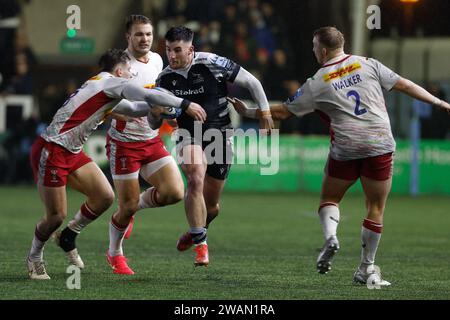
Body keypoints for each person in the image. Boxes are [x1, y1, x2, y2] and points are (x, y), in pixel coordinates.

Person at [229, 26, 450, 286]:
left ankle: (331, 236)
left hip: (346, 147)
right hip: (379, 142)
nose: (313, 51)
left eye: (314, 47)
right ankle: (366, 269)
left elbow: (282, 113)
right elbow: (406, 85)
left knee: (330, 198)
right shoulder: (368, 64)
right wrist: (439, 103)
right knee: (375, 208)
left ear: (322, 50)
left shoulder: (317, 81)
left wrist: (250, 112)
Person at [27, 48, 204, 279]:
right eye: (129, 71)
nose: (131, 75)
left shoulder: (101, 86)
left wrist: (159, 108)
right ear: (119, 70)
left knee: (105, 197)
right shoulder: (111, 83)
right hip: (52, 150)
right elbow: (147, 96)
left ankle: (68, 236)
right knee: (55, 216)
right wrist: (184, 103)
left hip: (71, 151)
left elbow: (132, 109)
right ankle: (34, 257)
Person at [156, 26, 274, 266]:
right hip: (189, 135)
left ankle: (196, 230)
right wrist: (162, 113)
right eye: (168, 50)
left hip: (220, 136)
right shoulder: (164, 78)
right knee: (195, 177)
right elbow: (159, 116)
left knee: (212, 207)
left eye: (177, 50)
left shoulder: (212, 62)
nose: (172, 56)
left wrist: (265, 112)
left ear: (191, 49)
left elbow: (252, 81)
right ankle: (201, 246)